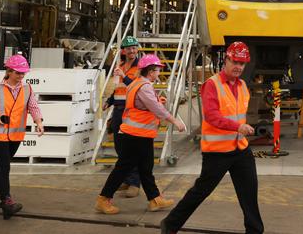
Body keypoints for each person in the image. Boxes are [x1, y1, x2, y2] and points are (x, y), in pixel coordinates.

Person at [161, 41, 263, 234]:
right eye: (235, 62)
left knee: (249, 193)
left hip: (240, 149)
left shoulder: (242, 86)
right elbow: (212, 116)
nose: (238, 67)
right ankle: (170, 224)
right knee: (200, 192)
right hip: (218, 153)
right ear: (226, 60)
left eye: (242, 64)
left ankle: (255, 231)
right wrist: (238, 126)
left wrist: (240, 129)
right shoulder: (212, 85)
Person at [95, 54, 185, 215]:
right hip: (135, 135)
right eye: (158, 70)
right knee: (123, 168)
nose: (159, 73)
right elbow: (155, 108)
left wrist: (158, 102)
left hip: (139, 134)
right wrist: (174, 121)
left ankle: (155, 199)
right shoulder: (145, 86)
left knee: (145, 168)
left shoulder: (137, 83)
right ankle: (103, 199)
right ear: (150, 71)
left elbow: (146, 105)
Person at [0, 54, 44, 220]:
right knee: (4, 166)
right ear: (9, 71)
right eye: (18, 73)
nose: (21, 76)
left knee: (2, 166)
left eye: (23, 73)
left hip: (16, 136)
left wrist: (39, 122)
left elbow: (33, 106)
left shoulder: (27, 89)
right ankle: (6, 202)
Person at [103, 35, 142, 197]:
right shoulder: (120, 65)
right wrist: (110, 101)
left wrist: (124, 76)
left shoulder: (140, 67)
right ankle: (126, 179)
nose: (132, 51)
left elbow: (136, 87)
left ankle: (134, 183)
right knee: (119, 146)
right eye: (129, 48)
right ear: (123, 51)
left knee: (130, 147)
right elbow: (118, 87)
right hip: (118, 109)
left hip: (131, 110)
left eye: (134, 48)